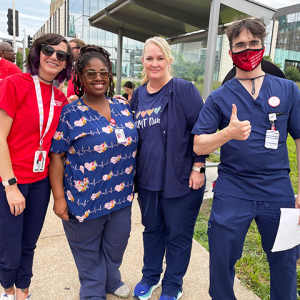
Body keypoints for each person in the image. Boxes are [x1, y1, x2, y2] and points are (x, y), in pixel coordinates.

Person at [192, 18, 300, 300]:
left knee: (285, 263)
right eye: (240, 44)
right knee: (220, 259)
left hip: (278, 190)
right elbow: (199, 143)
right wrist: (227, 133)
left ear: (263, 47)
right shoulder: (219, 97)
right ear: (230, 52)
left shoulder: (288, 90)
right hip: (233, 189)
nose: (247, 49)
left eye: (253, 43)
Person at [49, 45, 138, 300]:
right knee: (87, 250)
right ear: (79, 77)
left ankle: (111, 278)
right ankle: (92, 290)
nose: (98, 78)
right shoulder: (70, 113)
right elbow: (56, 156)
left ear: (110, 75)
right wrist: (58, 198)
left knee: (117, 244)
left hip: (120, 196)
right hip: (83, 198)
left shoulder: (123, 108)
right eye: (90, 73)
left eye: (103, 72)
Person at [131, 36, 206, 300]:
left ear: (169, 60)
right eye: (149, 58)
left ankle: (173, 283)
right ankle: (150, 276)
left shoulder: (183, 89)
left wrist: (199, 166)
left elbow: (202, 129)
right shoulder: (139, 94)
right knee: (152, 231)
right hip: (148, 180)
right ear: (143, 61)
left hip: (182, 179)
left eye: (160, 58)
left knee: (178, 235)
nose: (154, 63)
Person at [0, 33, 72, 300]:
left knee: (29, 243)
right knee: (9, 246)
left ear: (66, 63)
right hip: (11, 181)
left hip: (39, 182)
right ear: (37, 53)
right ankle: (7, 290)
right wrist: (10, 185)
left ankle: (23, 291)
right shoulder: (13, 84)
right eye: (48, 50)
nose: (53, 57)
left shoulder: (60, 98)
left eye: (61, 55)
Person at [67, 38, 86, 103]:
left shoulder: (87, 69)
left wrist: (72, 98)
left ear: (80, 50)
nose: (68, 52)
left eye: (70, 49)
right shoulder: (73, 69)